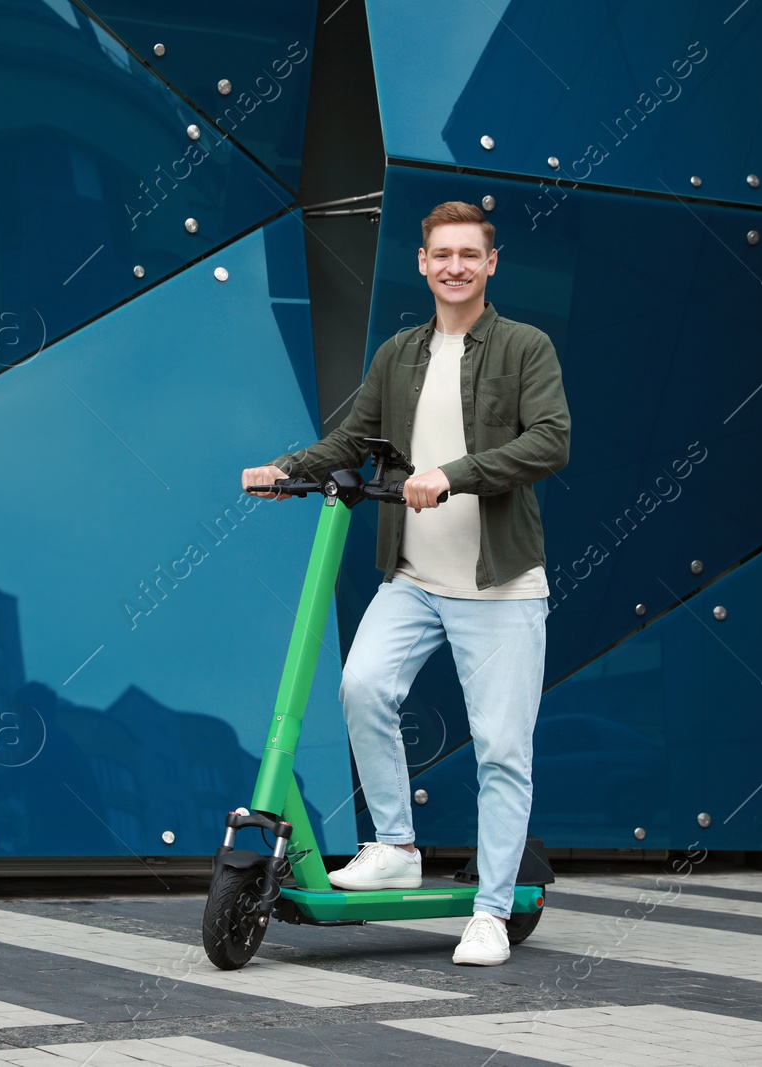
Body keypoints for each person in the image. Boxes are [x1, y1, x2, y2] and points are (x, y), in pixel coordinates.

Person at [241, 200, 569, 966]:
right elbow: (354, 438)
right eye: (441, 254)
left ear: (491, 264)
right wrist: (288, 468)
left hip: (500, 585)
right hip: (416, 577)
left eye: (469, 254)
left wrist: (452, 477)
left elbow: (549, 441)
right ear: (422, 264)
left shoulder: (526, 347)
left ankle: (489, 911)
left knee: (501, 749)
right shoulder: (400, 353)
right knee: (361, 686)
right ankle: (394, 844)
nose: (454, 265)